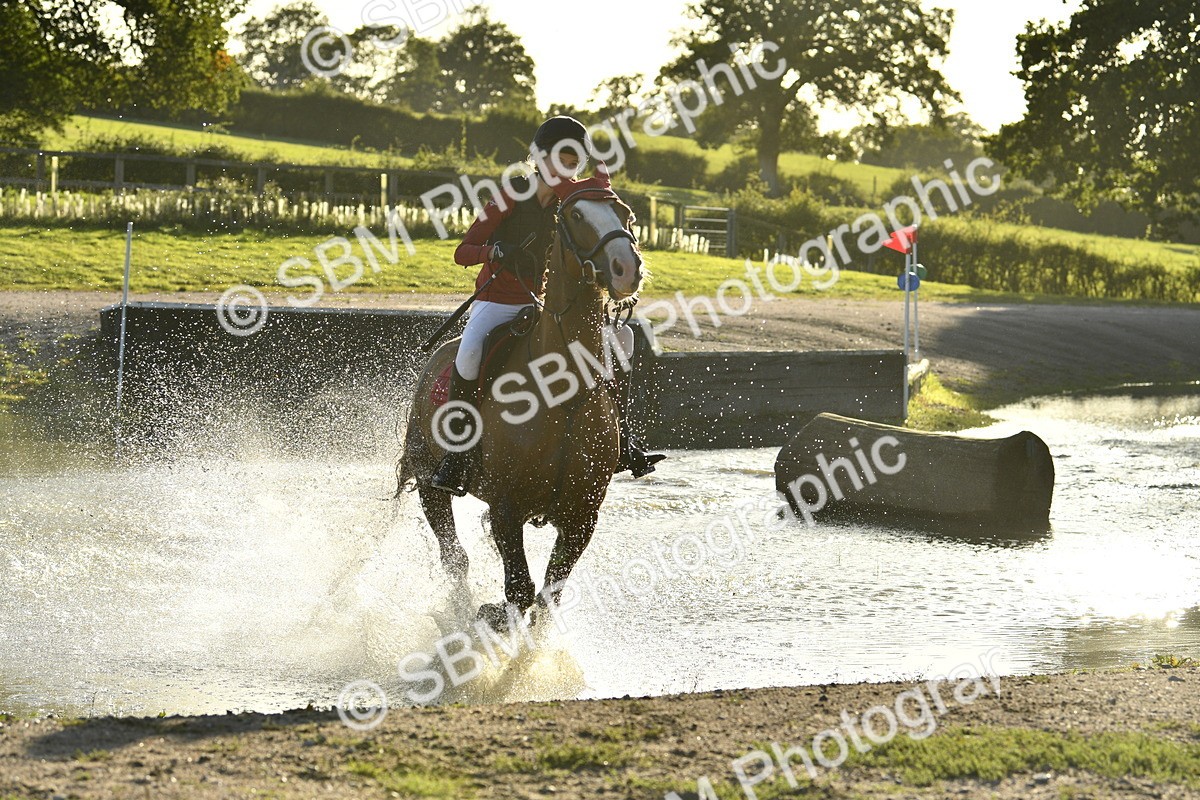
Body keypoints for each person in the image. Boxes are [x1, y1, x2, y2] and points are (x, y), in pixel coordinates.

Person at [430, 116, 665, 495]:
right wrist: (494, 249)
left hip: (542, 305)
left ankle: (624, 442)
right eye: (561, 159)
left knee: (623, 340)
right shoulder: (510, 194)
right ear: (540, 158)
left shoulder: (570, 204)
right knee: (470, 354)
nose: (567, 169)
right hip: (496, 303)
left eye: (574, 163)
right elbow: (462, 253)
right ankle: (458, 455)